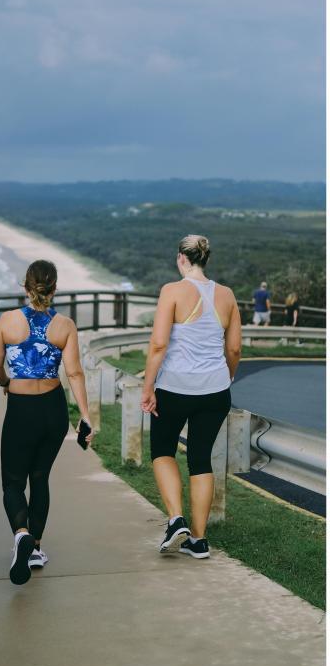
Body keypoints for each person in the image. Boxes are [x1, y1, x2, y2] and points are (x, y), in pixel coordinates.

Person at [0, 259, 94, 585]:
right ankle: (34, 546)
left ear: (25, 286)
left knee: (12, 482)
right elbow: (74, 373)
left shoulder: (7, 321)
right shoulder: (65, 325)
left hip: (21, 409)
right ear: (54, 288)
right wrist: (85, 416)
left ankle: (21, 533)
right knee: (40, 477)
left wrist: (6, 382)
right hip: (52, 409)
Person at [141, 235, 241, 559]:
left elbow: (158, 345)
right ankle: (198, 541)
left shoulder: (172, 291)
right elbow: (235, 348)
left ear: (181, 258)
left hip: (174, 388)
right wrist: (228, 376)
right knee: (200, 459)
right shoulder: (226, 295)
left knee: (162, 451)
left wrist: (148, 388)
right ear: (205, 259)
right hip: (215, 391)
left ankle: (175, 520)